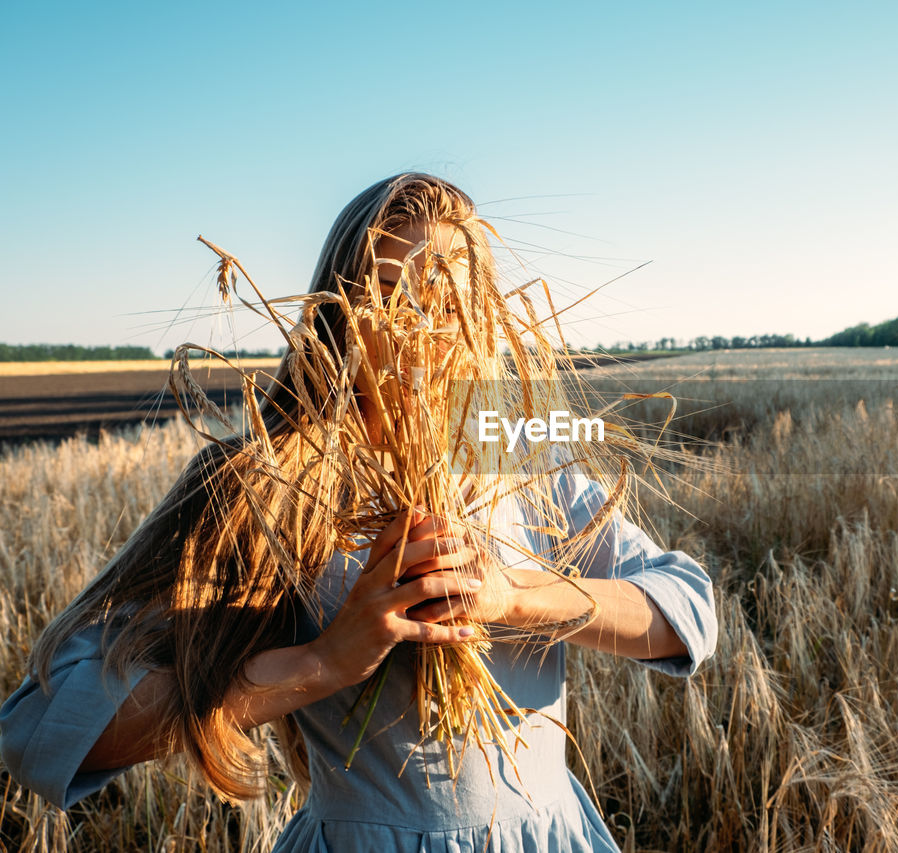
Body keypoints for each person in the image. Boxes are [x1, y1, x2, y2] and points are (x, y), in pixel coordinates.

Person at [0, 173, 717, 852]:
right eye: (388, 296)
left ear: (486, 319)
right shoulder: (270, 482)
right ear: (335, 313)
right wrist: (323, 659)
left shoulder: (523, 465)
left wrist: (509, 596)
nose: (420, 329)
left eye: (448, 302)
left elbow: (686, 611)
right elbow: (42, 731)